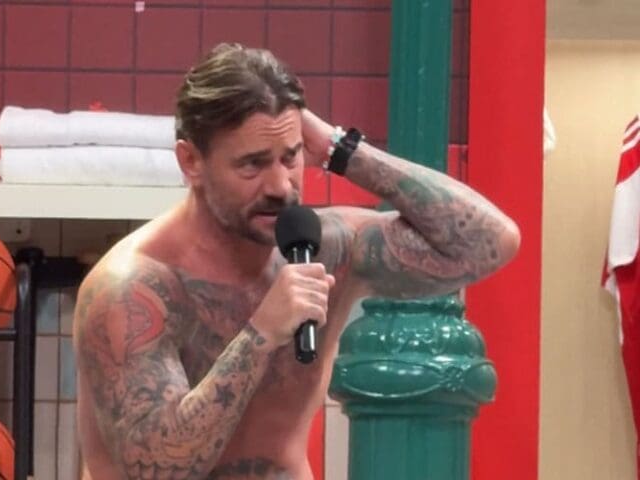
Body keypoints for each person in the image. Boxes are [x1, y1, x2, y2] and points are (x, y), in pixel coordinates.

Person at [73, 43, 520, 480]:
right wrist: (260, 334)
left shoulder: (325, 249)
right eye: (252, 165)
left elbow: (490, 241)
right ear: (191, 162)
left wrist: (338, 148)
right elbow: (156, 468)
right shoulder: (134, 287)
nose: (280, 186)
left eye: (290, 157)